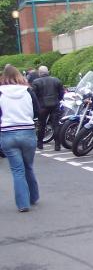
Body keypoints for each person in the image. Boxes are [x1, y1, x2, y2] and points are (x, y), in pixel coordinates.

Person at [0, 65, 40, 212]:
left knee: (17, 170)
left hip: (7, 133)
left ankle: (23, 204)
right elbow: (37, 110)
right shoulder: (28, 91)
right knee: (28, 166)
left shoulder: (0, 92)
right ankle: (34, 196)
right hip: (27, 131)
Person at [31, 66, 64, 151]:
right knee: (56, 125)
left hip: (42, 106)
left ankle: (40, 143)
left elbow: (33, 96)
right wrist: (58, 100)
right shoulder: (56, 80)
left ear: (39, 73)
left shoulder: (36, 82)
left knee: (41, 124)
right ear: (47, 71)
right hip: (55, 105)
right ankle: (57, 145)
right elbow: (61, 93)